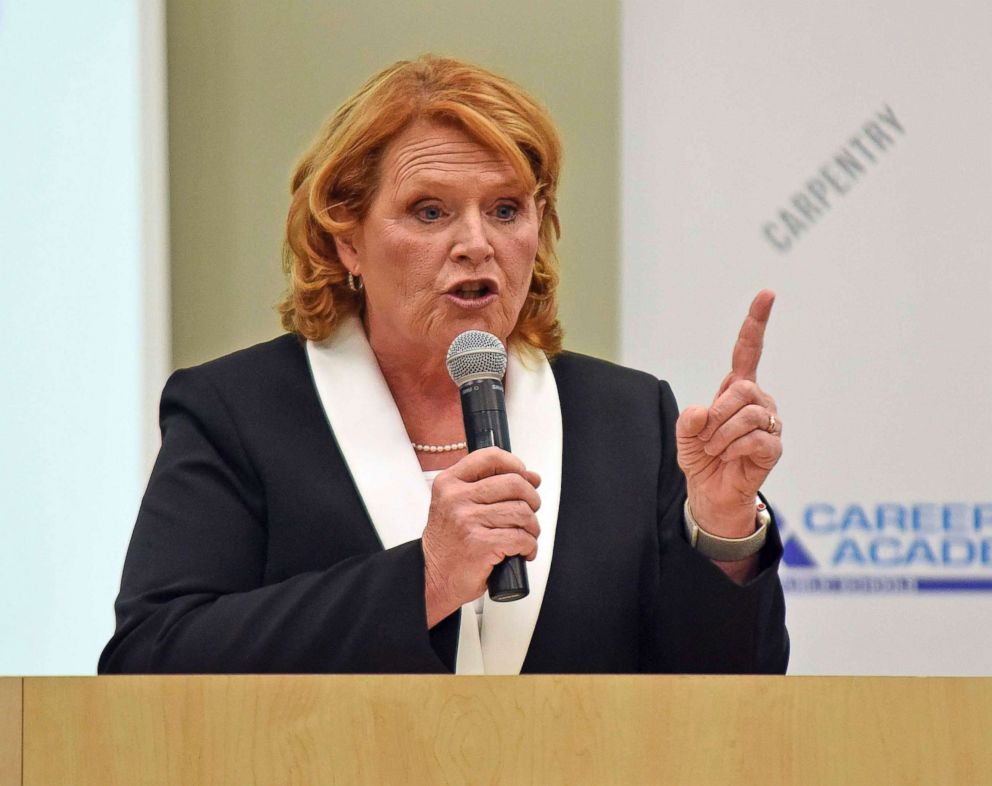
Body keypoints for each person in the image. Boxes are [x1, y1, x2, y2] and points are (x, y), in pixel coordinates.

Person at [98, 55, 788, 675]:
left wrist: (723, 528)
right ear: (346, 238)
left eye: (506, 209)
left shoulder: (629, 419)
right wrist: (425, 578)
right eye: (429, 211)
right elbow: (152, 657)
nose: (475, 244)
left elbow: (728, 699)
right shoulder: (238, 411)